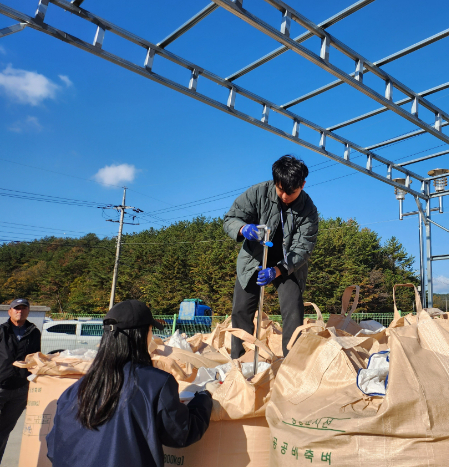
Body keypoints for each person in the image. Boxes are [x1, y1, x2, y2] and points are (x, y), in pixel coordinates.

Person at [47, 300, 214, 467]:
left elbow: (53, 448)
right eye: (151, 331)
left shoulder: (74, 390)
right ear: (141, 335)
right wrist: (204, 398)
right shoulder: (156, 384)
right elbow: (180, 434)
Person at [224, 155, 319, 358]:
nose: (284, 196)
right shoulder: (258, 192)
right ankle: (240, 362)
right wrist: (242, 228)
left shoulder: (308, 209)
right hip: (253, 260)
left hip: (288, 265)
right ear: (275, 182)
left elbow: (303, 248)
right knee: (241, 309)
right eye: (280, 189)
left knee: (293, 309)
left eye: (291, 192)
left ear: (302, 185)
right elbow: (230, 218)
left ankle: (291, 363)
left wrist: (278, 270)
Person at [0, 298, 41, 462]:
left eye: (24, 308)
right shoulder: (2, 331)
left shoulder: (34, 332)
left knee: (4, 431)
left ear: (28, 311)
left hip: (20, 390)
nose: (20, 311)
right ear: (10, 311)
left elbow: (36, 357)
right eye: (16, 308)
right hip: (1, 386)